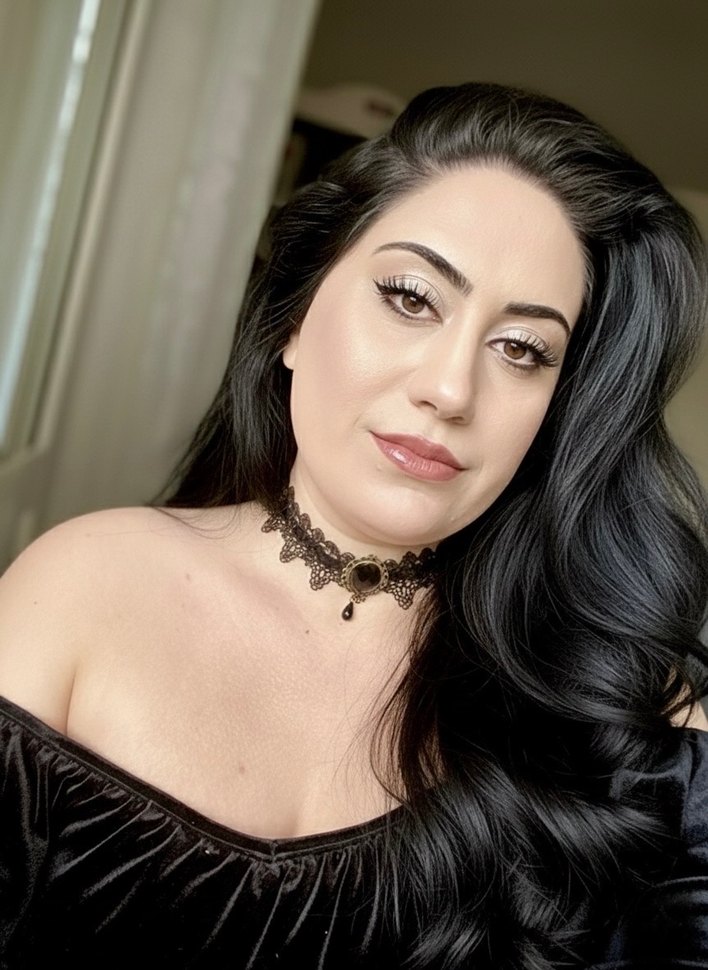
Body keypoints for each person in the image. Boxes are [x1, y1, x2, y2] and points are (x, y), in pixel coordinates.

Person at [0, 81, 706, 969]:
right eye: (411, 298)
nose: (449, 389)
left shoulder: (613, 707)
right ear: (295, 319)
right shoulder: (81, 589)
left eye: (522, 349)